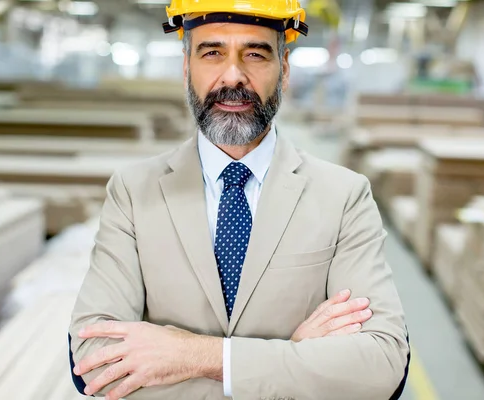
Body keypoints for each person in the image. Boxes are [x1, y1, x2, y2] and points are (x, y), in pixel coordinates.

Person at [69, 1, 410, 399]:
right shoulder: (133, 191)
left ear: (283, 70)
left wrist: (196, 356)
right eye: (212, 52)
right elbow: (92, 363)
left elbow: (383, 370)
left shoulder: (344, 197)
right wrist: (294, 358)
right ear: (186, 69)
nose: (233, 75)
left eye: (255, 54)